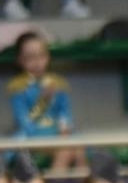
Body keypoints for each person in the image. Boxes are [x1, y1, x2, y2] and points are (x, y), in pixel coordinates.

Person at [6, 32, 85, 174]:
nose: (37, 62)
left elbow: (64, 112)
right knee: (67, 150)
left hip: (57, 133)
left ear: (48, 56)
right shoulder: (18, 87)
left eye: (41, 56)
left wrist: (65, 128)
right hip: (32, 134)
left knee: (77, 148)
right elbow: (25, 122)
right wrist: (43, 101)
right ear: (20, 60)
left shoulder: (58, 83)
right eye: (30, 58)